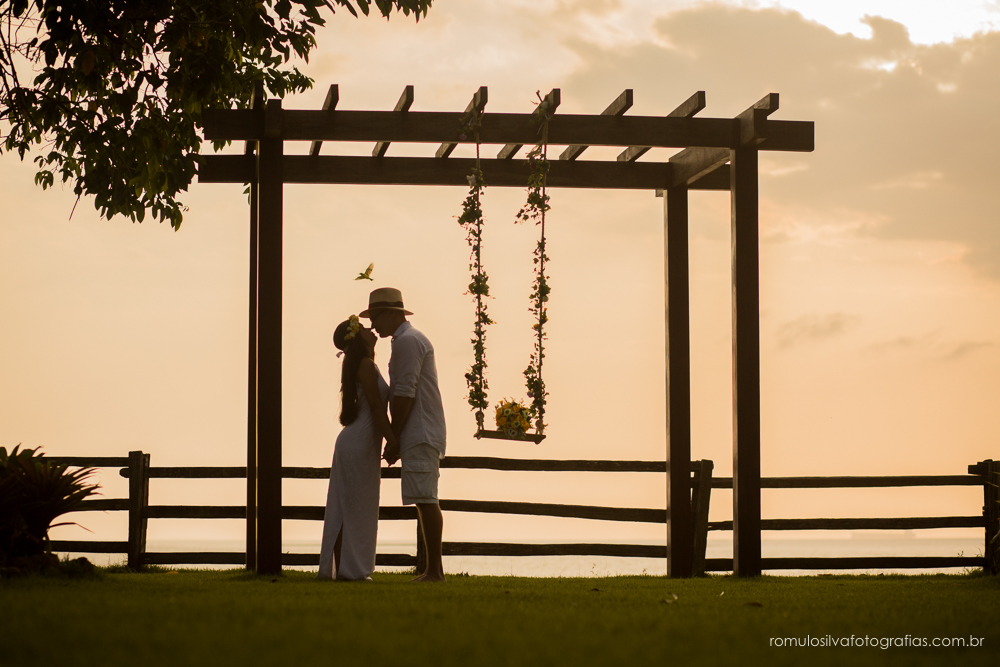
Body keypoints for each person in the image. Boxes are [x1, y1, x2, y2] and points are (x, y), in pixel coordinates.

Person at [361, 287, 447, 583]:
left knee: (427, 499)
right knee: (424, 498)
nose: (373, 324)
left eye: (376, 316)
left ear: (392, 313)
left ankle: (435, 571)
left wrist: (393, 437)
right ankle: (433, 570)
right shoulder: (407, 340)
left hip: (419, 429)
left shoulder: (408, 342)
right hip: (419, 429)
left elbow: (405, 393)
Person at [318, 315, 397, 581]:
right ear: (358, 338)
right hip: (358, 444)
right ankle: (347, 570)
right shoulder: (364, 365)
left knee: (354, 507)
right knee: (351, 507)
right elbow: (376, 408)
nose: (370, 328)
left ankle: (346, 569)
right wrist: (393, 440)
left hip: (359, 444)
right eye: (363, 328)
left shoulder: (366, 364)